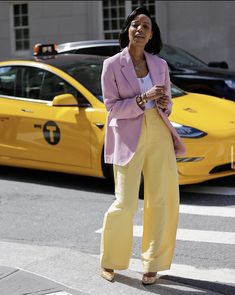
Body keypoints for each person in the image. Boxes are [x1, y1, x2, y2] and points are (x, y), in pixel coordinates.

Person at [100, 6, 185, 285]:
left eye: (146, 26)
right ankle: (110, 260)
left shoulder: (160, 65)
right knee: (125, 202)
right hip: (127, 134)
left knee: (161, 199)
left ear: (151, 35)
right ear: (127, 31)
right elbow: (112, 107)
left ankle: (153, 264)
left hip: (158, 131)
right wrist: (142, 99)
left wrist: (163, 103)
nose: (140, 29)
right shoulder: (112, 65)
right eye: (135, 24)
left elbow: (168, 103)